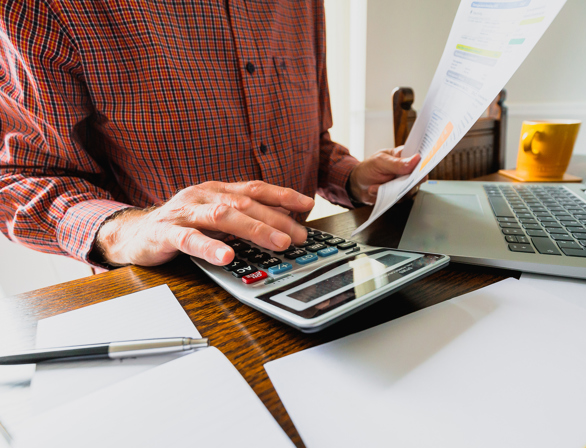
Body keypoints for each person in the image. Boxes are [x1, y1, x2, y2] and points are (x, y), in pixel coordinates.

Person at [0, 1, 420, 269]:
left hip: (311, 266)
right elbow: (19, 178)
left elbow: (313, 139)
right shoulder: (45, 7)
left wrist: (351, 176)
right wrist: (127, 230)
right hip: (171, 293)